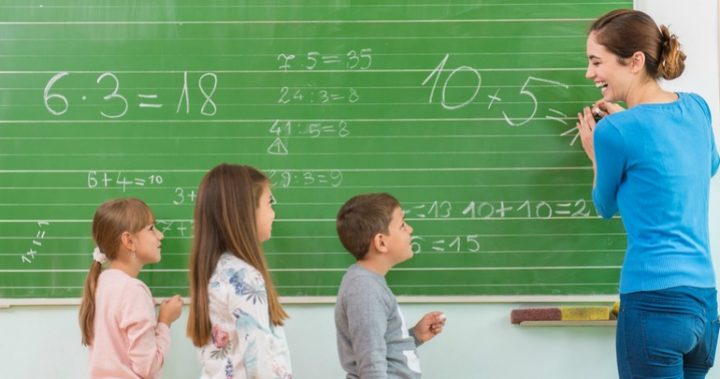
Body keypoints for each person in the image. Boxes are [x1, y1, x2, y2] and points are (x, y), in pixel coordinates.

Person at [576, 9, 720, 378]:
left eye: (596, 61)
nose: (590, 73)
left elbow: (604, 205)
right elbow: (708, 166)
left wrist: (596, 154)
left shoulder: (615, 132)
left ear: (635, 61)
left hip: (653, 302)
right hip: (703, 302)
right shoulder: (697, 107)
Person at [187, 163, 293, 379]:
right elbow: (258, 362)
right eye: (269, 203)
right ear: (246, 211)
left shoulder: (218, 268)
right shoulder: (244, 277)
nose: (273, 214)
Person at [334, 193, 446, 378]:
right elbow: (371, 364)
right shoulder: (365, 289)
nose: (410, 229)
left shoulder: (369, 283)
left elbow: (380, 345)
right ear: (381, 242)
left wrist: (415, 336)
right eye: (402, 225)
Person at [78, 198, 183, 378]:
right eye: (151, 229)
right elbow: (148, 368)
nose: (160, 235)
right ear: (129, 240)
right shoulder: (133, 291)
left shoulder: (101, 282)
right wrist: (165, 322)